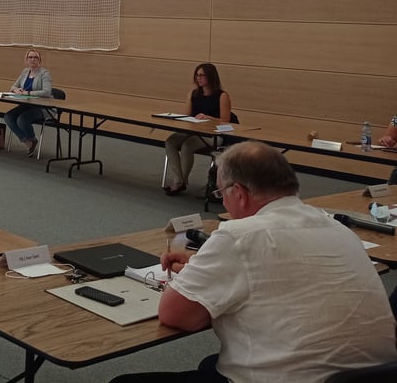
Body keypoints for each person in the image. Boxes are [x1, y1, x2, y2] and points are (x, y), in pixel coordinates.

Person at [112, 141, 397, 383]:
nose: (224, 203)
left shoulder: (239, 236)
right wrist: (204, 270)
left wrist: (204, 280)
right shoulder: (338, 229)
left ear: (239, 193)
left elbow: (176, 315)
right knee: (210, 364)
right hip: (377, 376)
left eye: (221, 193)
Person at [164, 63, 232, 196]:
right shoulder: (193, 94)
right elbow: (187, 115)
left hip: (214, 134)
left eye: (202, 75)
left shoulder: (222, 96)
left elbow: (226, 120)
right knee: (170, 141)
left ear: (211, 77)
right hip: (194, 130)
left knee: (187, 145)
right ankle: (179, 179)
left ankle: (180, 182)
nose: (198, 78)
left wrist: (209, 118)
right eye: (197, 75)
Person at [3, 50, 52, 156]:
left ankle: (32, 138)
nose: (33, 59)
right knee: (8, 116)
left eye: (35, 57)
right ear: (26, 59)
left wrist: (28, 92)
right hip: (27, 104)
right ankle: (28, 141)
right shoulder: (25, 72)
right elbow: (13, 86)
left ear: (39, 60)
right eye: (30, 57)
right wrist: (16, 90)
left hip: (42, 107)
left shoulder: (44, 73)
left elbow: (47, 92)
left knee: (22, 119)